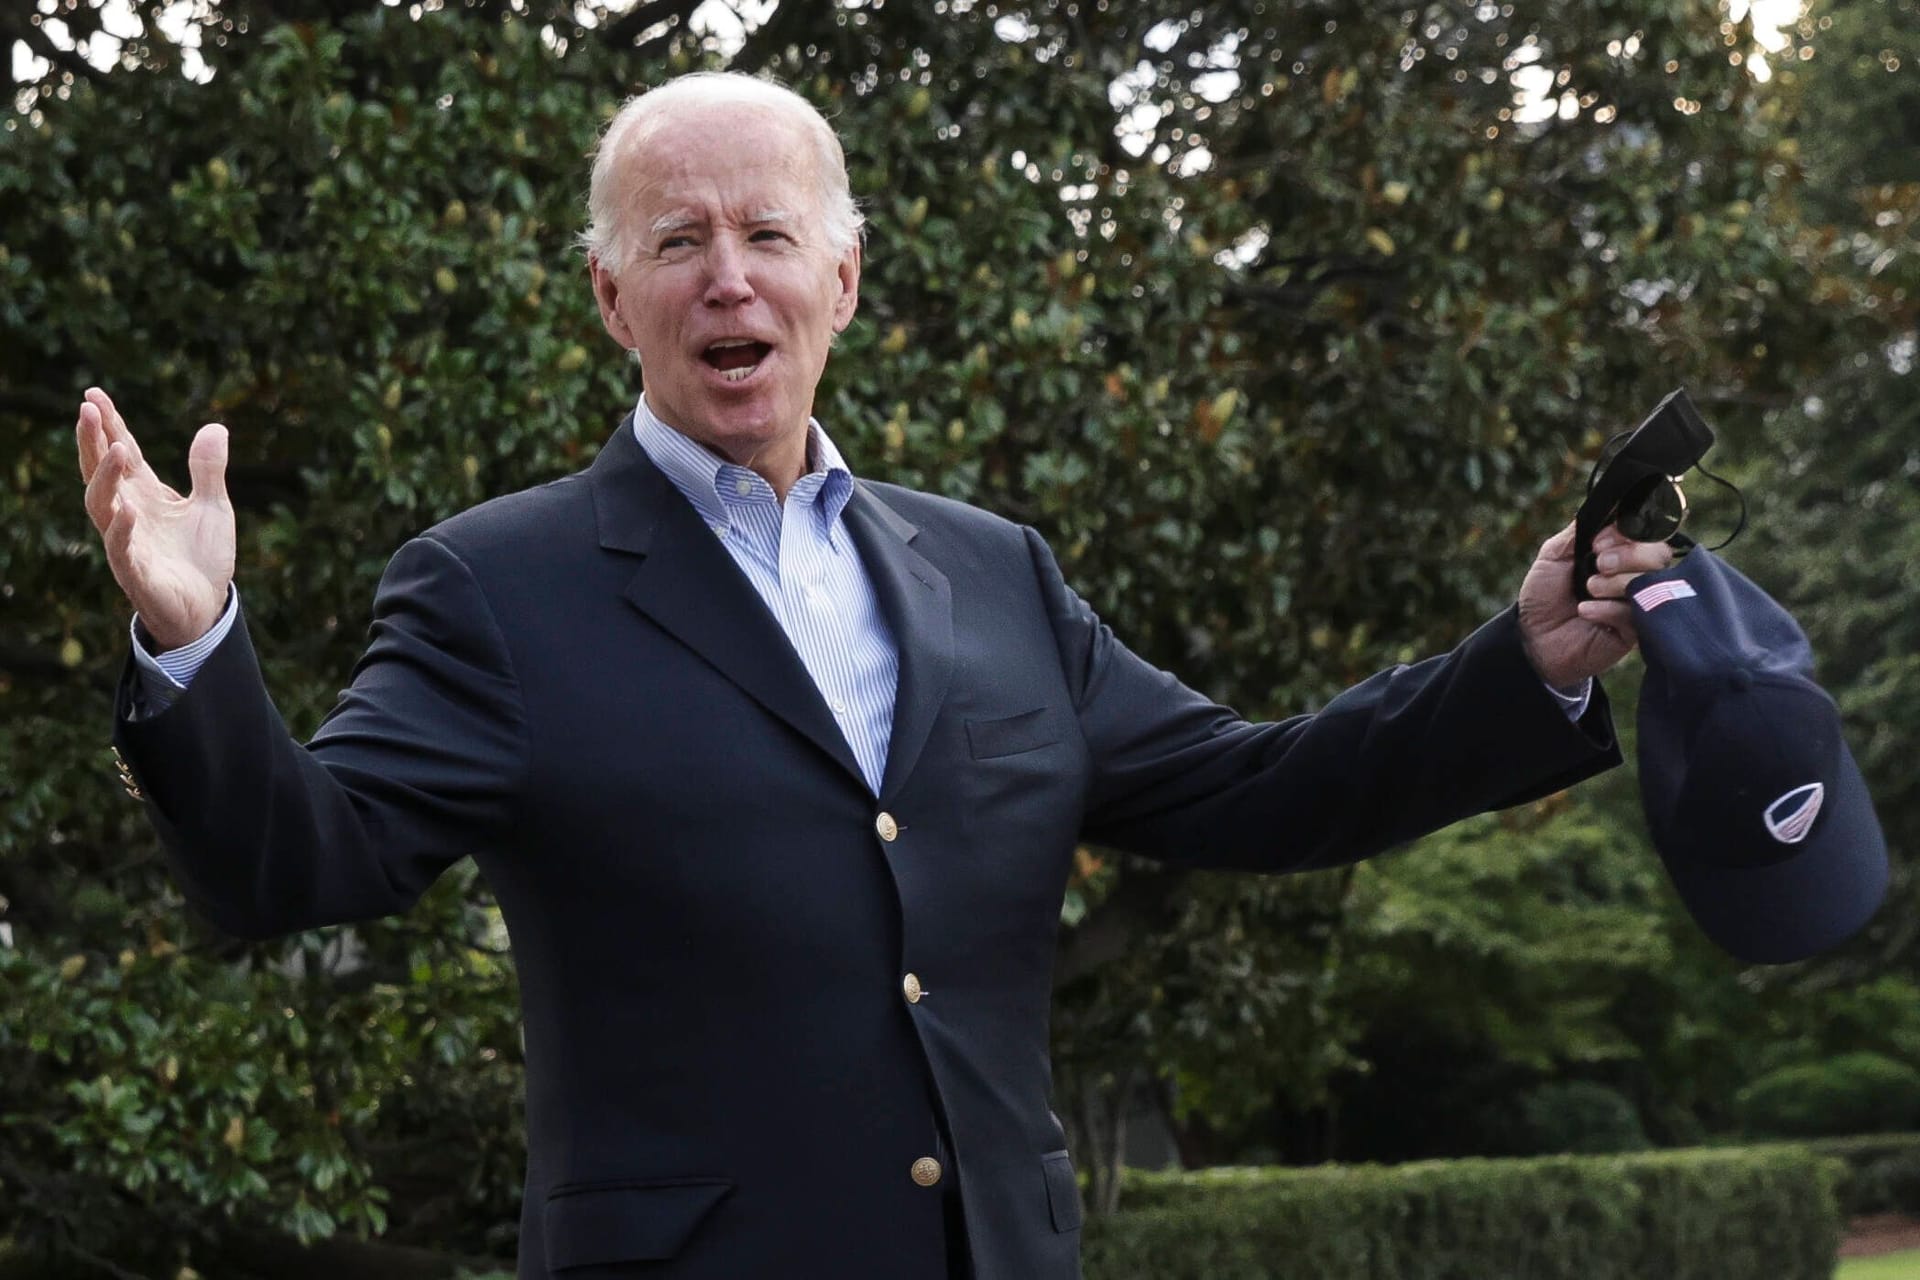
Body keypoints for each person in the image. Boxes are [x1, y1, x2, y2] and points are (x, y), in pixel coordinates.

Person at [76, 72, 1671, 1280]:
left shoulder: (992, 573)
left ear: (841, 279)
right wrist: (195, 647)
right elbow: (300, 864)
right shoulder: (497, 587)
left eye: (770, 235)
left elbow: (1253, 787)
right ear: (609, 295)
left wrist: (1519, 663)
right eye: (678, 242)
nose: (729, 278)